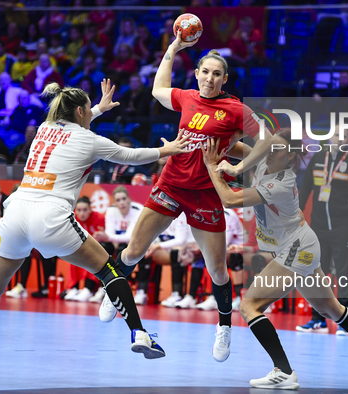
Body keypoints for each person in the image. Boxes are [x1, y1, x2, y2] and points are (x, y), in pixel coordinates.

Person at [0, 79, 191, 370]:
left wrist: (99, 108)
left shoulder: (44, 128)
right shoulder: (90, 140)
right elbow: (131, 156)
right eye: (89, 110)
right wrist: (169, 150)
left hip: (15, 213)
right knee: (109, 270)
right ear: (80, 111)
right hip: (51, 217)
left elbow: (69, 128)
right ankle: (139, 333)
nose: (91, 113)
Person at [97, 32, 272, 364]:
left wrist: (239, 167)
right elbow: (157, 89)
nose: (209, 78)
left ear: (224, 78)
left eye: (216, 74)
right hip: (171, 184)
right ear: (197, 73)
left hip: (206, 193)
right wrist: (175, 47)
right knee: (133, 251)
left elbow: (266, 140)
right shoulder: (188, 97)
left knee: (217, 271)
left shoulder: (234, 109)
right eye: (205, 72)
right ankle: (114, 294)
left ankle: (224, 326)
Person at [202, 132, 348, 389]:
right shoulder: (263, 160)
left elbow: (229, 199)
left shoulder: (281, 182)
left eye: (277, 149)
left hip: (295, 249)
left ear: (291, 155)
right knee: (331, 309)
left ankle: (283, 371)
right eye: (269, 147)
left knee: (249, 306)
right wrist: (215, 137)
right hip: (301, 244)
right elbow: (238, 148)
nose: (270, 152)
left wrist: (210, 167)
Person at [296, 127, 348, 334]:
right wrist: (294, 215)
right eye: (336, 136)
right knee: (316, 274)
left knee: (344, 275)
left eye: (345, 137)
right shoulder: (317, 160)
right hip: (318, 228)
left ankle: (346, 323)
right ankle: (318, 319)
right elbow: (305, 189)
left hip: (343, 228)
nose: (340, 140)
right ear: (329, 138)